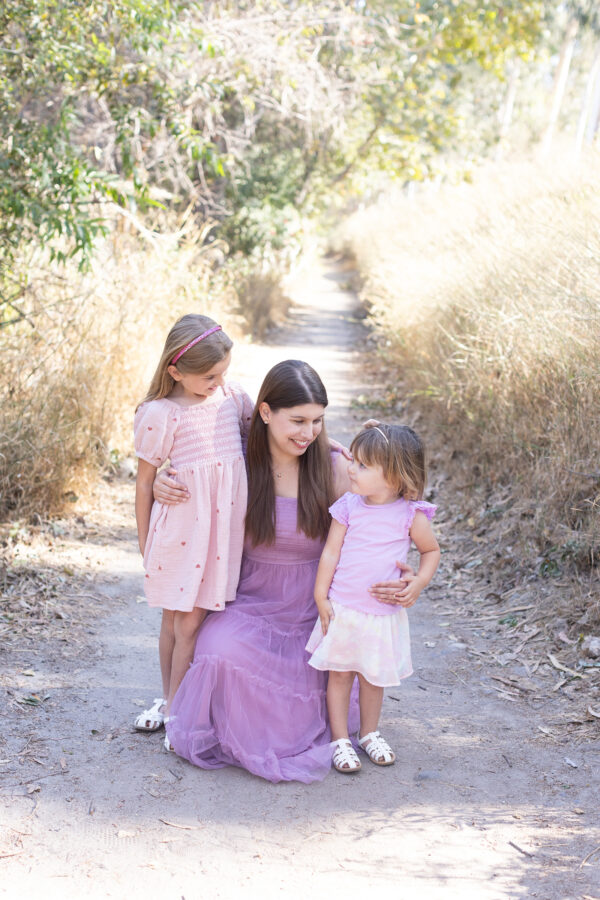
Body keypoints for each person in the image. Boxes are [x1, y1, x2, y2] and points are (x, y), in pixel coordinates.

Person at [153, 360, 416, 782]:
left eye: (317, 421)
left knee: (317, 679)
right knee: (219, 651)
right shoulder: (236, 463)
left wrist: (405, 573)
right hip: (251, 602)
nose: (308, 433)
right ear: (265, 412)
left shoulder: (334, 467)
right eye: (297, 420)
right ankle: (192, 710)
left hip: (315, 608)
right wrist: (159, 482)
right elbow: (188, 480)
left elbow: (385, 518)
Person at [133, 314, 253, 742]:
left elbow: (273, 434)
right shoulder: (161, 414)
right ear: (176, 371)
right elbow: (144, 483)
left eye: (223, 372)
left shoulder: (233, 399)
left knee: (187, 625)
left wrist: (333, 446)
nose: (218, 382)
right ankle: (172, 705)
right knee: (174, 622)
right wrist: (146, 546)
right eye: (209, 376)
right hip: (181, 534)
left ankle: (177, 708)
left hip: (220, 536)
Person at [305, 423, 440, 773]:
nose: (351, 469)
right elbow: (331, 553)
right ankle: (339, 740)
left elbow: (430, 551)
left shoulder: (410, 514)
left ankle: (369, 733)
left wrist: (419, 582)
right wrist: (321, 595)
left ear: (394, 476)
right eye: (354, 461)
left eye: (363, 465)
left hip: (381, 613)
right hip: (344, 608)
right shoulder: (349, 506)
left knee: (372, 677)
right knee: (339, 675)